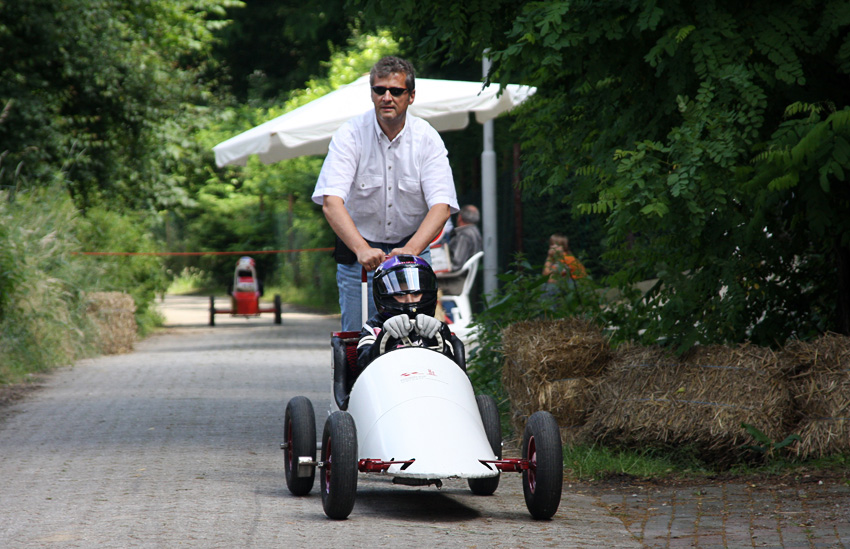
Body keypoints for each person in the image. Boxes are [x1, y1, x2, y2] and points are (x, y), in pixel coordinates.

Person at [312, 56, 459, 331]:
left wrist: (411, 250)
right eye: (379, 90)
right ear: (371, 94)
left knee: (420, 334)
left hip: (412, 247)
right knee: (358, 339)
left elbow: (442, 205)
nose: (387, 97)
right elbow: (331, 202)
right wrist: (361, 249)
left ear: (411, 96)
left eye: (396, 91)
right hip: (361, 254)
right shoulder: (351, 135)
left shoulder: (427, 138)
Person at [357, 255, 455, 371]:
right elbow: (362, 366)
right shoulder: (373, 327)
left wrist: (431, 340)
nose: (409, 301)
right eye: (401, 295)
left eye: (415, 294)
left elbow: (451, 369)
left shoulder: (438, 328)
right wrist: (386, 338)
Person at [437, 204, 483, 296]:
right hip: (460, 281)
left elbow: (455, 264)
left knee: (420, 283)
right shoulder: (475, 232)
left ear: (460, 217)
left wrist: (436, 269)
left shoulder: (464, 235)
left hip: (454, 283)